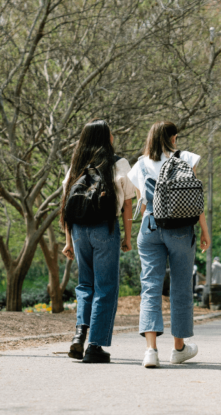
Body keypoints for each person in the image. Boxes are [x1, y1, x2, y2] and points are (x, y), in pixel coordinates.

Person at [127, 121, 211, 368]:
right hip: (181, 230)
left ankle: (150, 351)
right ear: (174, 138)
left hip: (150, 226)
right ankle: (178, 348)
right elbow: (196, 200)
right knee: (181, 287)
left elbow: (139, 196)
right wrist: (205, 232)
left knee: (150, 287)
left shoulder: (140, 164)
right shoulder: (186, 158)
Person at [61, 119, 134, 364]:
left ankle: (78, 336)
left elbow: (66, 205)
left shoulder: (76, 165)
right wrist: (127, 236)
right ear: (105, 137)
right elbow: (127, 203)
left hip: (79, 229)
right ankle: (95, 345)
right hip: (105, 227)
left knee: (85, 285)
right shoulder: (118, 163)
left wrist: (68, 241)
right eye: (111, 133)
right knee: (105, 287)